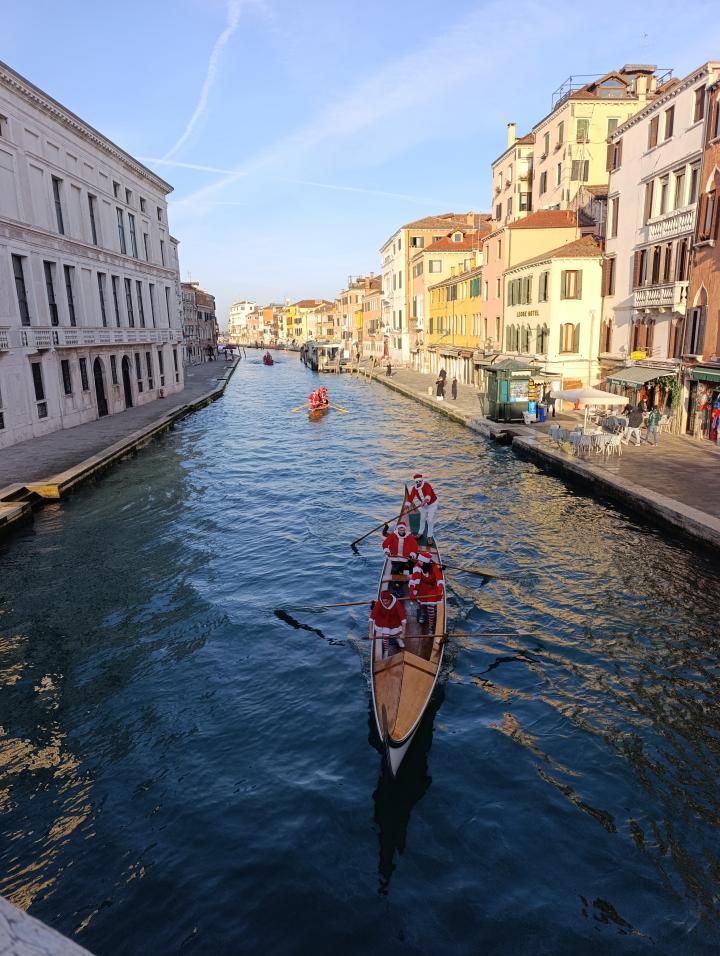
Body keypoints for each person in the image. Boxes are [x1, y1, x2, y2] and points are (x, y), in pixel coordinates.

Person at [409, 551, 445, 631]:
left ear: (425, 562)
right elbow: (415, 578)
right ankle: (423, 614)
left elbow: (439, 579)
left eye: (421, 561)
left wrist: (440, 588)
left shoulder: (434, 567)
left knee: (430, 607)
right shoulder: (418, 566)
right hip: (423, 587)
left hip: (432, 588)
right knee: (421, 604)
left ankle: (431, 626)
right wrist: (412, 589)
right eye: (419, 560)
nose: (419, 562)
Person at [368, 590, 406, 660]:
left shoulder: (396, 603)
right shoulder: (379, 603)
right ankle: (386, 650)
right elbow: (371, 619)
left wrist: (403, 633)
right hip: (383, 621)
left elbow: (403, 619)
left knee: (397, 632)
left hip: (394, 620)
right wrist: (370, 633)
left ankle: (399, 639)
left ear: (390, 599)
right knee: (385, 636)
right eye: (383, 601)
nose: (385, 603)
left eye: (387, 601)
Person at [408, 473, 438, 544]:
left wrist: (424, 501)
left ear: (422, 480)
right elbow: (410, 497)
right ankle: (420, 533)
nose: (418, 483)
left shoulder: (427, 485)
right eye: (417, 482)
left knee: (430, 520)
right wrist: (407, 505)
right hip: (424, 506)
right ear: (415, 482)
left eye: (419, 481)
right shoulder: (414, 488)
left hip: (432, 504)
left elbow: (428, 495)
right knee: (422, 519)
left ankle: (429, 537)